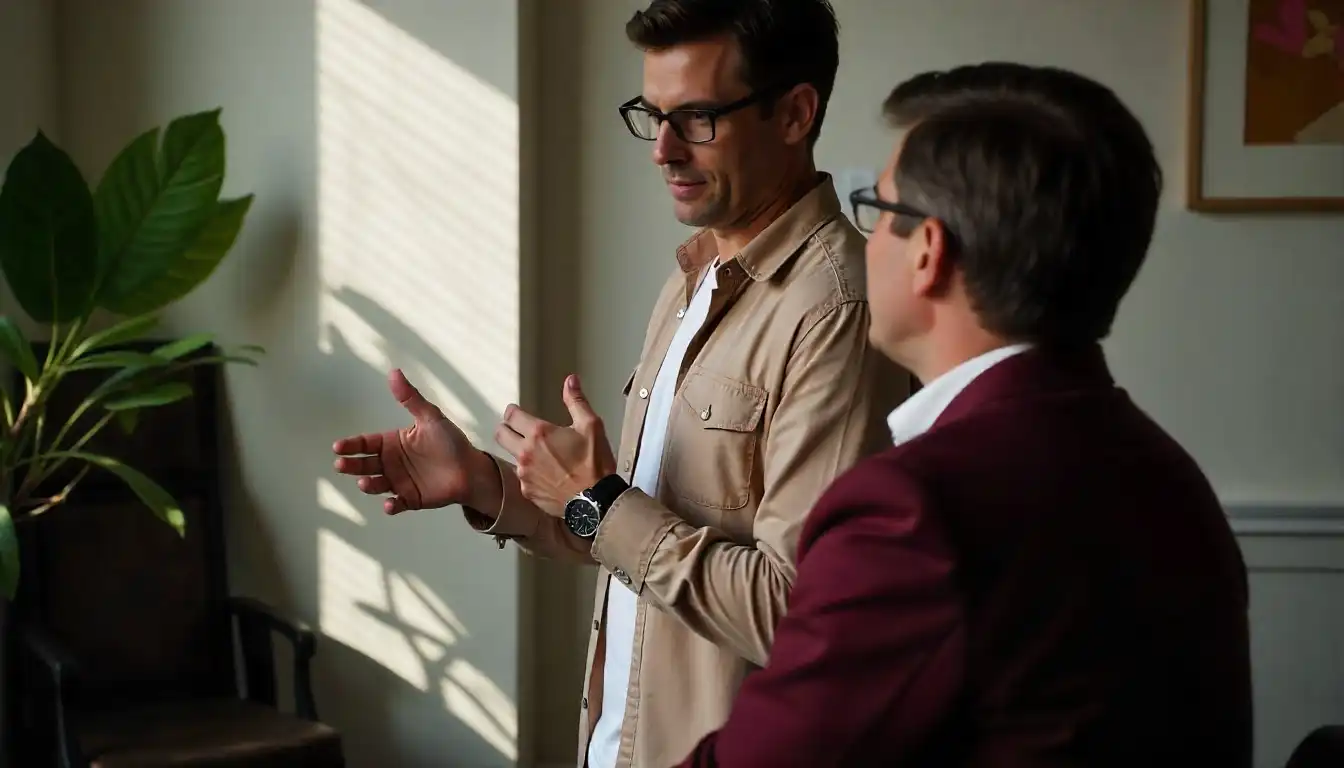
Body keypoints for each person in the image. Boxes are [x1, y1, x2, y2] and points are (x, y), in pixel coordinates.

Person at [331, 2, 908, 766]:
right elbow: (637, 542)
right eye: (653, 114)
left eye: (697, 118)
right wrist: (488, 486)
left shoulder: (838, 307)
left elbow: (796, 614)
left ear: (796, 113)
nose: (663, 150)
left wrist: (601, 501)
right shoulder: (693, 277)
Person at [674, 62, 1254, 768]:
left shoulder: (914, 512)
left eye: (879, 210)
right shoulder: (1171, 477)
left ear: (929, 251)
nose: (869, 240)